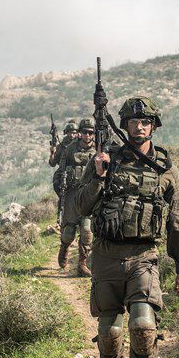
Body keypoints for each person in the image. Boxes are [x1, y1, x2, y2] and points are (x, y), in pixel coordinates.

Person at [74, 97, 179, 358]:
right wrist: (97, 175)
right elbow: (81, 206)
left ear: (154, 125)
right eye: (134, 121)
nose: (140, 126)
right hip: (107, 256)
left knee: (143, 324)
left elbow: (176, 221)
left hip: (144, 258)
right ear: (124, 124)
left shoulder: (165, 168)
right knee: (109, 330)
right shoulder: (105, 159)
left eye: (146, 121)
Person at [58, 118, 97, 275]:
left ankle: (82, 264)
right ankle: (64, 248)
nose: (87, 135)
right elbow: (60, 170)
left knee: (87, 231)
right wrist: (60, 186)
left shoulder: (98, 150)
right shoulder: (70, 149)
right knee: (68, 232)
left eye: (90, 132)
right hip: (72, 195)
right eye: (84, 132)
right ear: (79, 133)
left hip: (89, 195)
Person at [50, 119, 79, 202]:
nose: (72, 135)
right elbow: (52, 163)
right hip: (65, 170)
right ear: (66, 133)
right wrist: (52, 152)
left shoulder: (81, 144)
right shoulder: (61, 146)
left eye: (74, 133)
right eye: (70, 133)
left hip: (79, 169)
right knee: (56, 182)